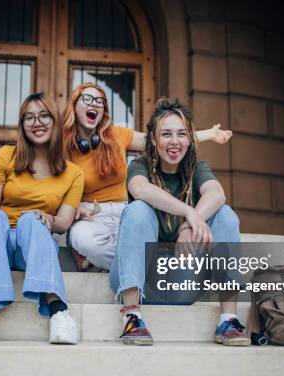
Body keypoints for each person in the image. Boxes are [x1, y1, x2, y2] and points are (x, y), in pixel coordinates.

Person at [110, 98, 250, 347]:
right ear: (153, 139)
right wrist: (189, 212)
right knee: (138, 210)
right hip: (140, 279)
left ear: (189, 139)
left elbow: (216, 194)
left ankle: (228, 319)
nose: (174, 141)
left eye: (181, 134)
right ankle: (132, 316)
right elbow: (140, 190)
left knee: (226, 214)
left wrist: (188, 224)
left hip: (181, 281)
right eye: (166, 134)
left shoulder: (196, 168)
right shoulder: (140, 166)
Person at [62, 83, 232, 271]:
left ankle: (120, 265)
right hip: (90, 216)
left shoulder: (117, 135)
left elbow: (164, 139)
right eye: (87, 99)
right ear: (74, 105)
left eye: (100, 101)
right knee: (86, 242)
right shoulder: (61, 145)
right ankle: (150, 267)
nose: (94, 104)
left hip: (122, 213)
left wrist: (210, 134)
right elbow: (53, 183)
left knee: (139, 241)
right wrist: (71, 206)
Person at [0, 93, 83, 345]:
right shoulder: (7, 155)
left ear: (56, 121)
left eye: (43, 116)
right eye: (29, 117)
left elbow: (63, 223)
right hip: (1, 242)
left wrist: (47, 218)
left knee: (32, 220)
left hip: (35, 243)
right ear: (22, 124)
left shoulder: (73, 173)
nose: (36, 122)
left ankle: (58, 311)